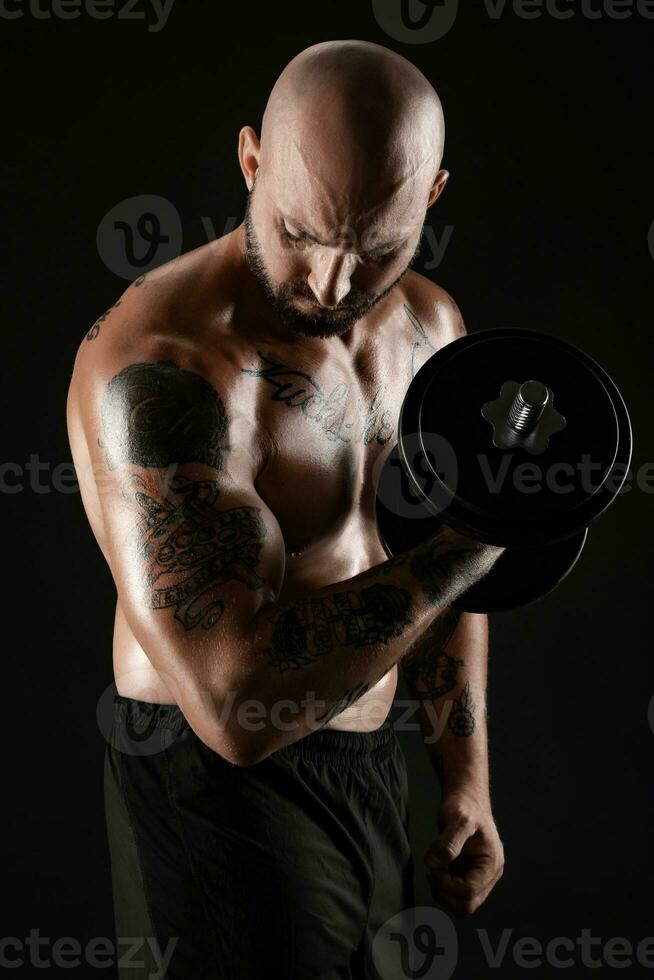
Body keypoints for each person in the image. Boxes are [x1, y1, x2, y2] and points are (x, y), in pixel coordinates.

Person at [67, 39, 505, 980]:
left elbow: (432, 559)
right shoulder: (163, 364)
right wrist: (484, 539)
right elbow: (236, 703)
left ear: (429, 198)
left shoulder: (432, 327)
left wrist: (463, 777)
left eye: (376, 245)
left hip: (368, 766)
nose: (334, 285)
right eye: (302, 234)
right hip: (213, 790)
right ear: (251, 161)